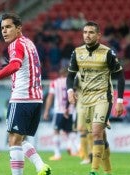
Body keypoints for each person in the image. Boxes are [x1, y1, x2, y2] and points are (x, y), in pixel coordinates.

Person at [0, 13, 51, 175]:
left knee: (13, 139)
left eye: (8, 27)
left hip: (21, 97)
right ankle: (41, 166)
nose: (4, 31)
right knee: (20, 139)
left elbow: (14, 65)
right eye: (2, 28)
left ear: (18, 28)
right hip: (36, 98)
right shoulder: (29, 43)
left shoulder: (15, 45)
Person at [66, 21, 125, 175]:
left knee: (96, 133)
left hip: (103, 97)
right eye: (85, 32)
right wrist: (70, 91)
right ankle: (108, 171)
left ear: (98, 35)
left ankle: (93, 170)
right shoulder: (77, 52)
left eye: (91, 32)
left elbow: (120, 76)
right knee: (101, 136)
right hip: (85, 99)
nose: (87, 35)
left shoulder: (107, 53)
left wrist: (120, 101)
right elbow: (70, 75)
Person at [43, 68, 78, 161]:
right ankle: (76, 149)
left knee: (56, 131)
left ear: (60, 74)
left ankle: (57, 154)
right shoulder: (72, 83)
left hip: (59, 111)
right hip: (70, 111)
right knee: (70, 131)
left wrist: (46, 111)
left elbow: (50, 97)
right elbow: (76, 96)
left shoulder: (55, 82)